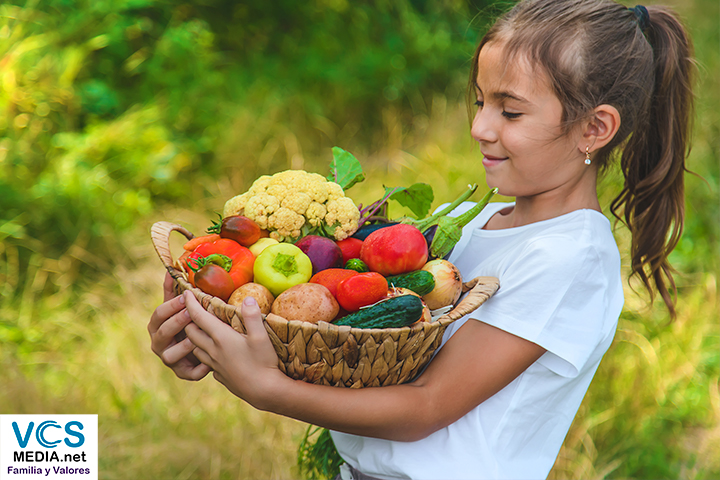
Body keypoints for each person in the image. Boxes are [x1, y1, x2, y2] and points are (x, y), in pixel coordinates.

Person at [148, 0, 694, 478]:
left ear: (594, 129)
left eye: (510, 110)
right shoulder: (462, 220)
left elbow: (426, 407)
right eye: (480, 101)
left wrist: (267, 390)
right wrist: (212, 335)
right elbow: (338, 331)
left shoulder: (570, 256)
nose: (481, 126)